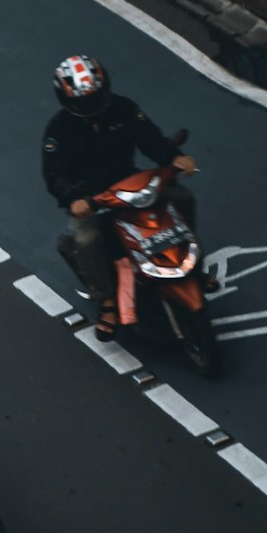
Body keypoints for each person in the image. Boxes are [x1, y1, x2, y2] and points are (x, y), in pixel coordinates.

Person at [42, 55, 197, 339]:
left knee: (182, 198)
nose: (92, 107)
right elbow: (54, 176)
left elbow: (151, 139)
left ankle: (191, 260)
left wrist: (175, 158)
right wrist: (73, 199)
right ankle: (108, 298)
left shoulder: (124, 108)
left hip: (131, 183)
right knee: (87, 240)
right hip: (89, 200)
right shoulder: (58, 131)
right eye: (84, 102)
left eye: (96, 97)